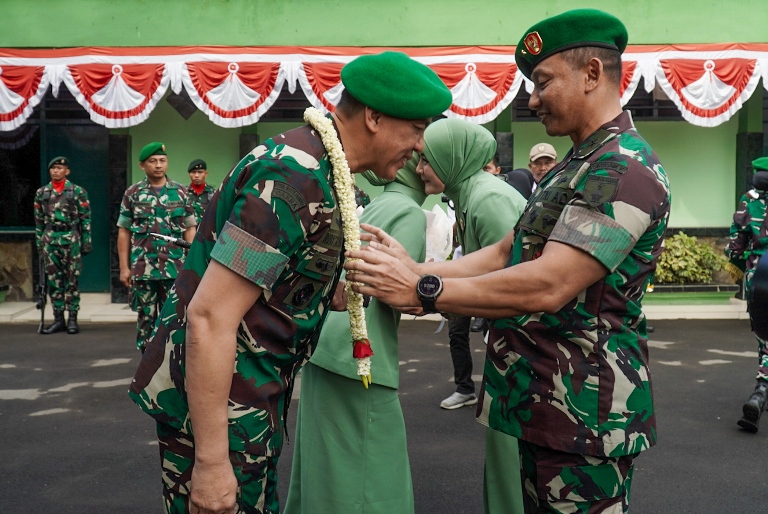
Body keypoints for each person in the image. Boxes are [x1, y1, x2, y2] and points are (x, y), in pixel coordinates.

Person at [346, 9, 671, 513]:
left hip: (584, 419)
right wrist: (416, 271)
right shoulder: (577, 165)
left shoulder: (622, 168)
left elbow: (550, 283)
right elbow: (506, 252)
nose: (532, 98)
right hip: (541, 403)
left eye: (543, 82)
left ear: (591, 74)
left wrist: (423, 292)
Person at [128, 51, 452, 514]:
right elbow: (210, 317)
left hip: (252, 400)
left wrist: (362, 286)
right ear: (376, 118)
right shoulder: (291, 177)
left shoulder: (322, 170)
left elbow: (278, 283)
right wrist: (214, 463)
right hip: (223, 411)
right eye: (418, 129)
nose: (421, 146)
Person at [284, 155, 429, 514]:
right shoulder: (408, 212)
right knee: (371, 481)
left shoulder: (378, 204)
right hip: (361, 360)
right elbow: (400, 296)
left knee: (325, 476)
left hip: (328, 351)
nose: (423, 162)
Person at [423, 123, 526, 412]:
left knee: (508, 442)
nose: (419, 169)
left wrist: (434, 295)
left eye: (426, 160)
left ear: (450, 161)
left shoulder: (488, 199)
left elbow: (508, 284)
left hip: (521, 344)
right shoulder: (469, 197)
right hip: (508, 341)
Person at [117, 143, 197, 352]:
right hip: (144, 269)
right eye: (153, 161)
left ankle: (172, 364)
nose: (158, 165)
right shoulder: (133, 193)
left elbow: (190, 228)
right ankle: (146, 363)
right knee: (146, 318)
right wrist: (124, 268)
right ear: (142, 165)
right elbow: (124, 231)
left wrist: (193, 262)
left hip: (174, 269)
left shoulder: (180, 192)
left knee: (175, 318)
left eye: (162, 160)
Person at [727, 158, 768, 433]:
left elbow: (736, 246)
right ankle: (761, 389)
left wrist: (741, 267)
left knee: (764, 333)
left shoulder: (748, 199)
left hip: (760, 274)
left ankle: (761, 391)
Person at [33, 156, 92, 334]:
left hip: (70, 238)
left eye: (60, 168)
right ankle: (58, 319)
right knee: (54, 281)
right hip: (50, 239)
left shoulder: (77, 192)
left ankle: (72, 318)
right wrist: (39, 243)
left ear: (67, 171)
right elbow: (38, 221)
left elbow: (85, 218)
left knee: (72, 280)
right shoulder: (42, 193)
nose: (56, 171)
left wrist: (86, 242)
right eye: (53, 168)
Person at [186, 158, 215, 225]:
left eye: (200, 172)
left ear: (206, 174)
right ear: (189, 174)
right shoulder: (183, 193)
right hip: (188, 233)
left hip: (206, 233)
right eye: (193, 172)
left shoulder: (213, 194)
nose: (196, 175)